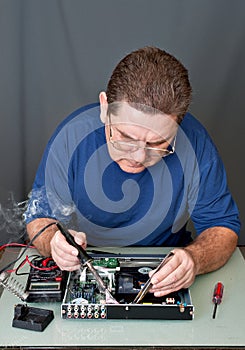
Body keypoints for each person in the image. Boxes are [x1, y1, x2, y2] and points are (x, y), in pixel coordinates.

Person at [25, 47, 240, 297]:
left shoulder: (195, 142)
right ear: (105, 107)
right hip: (85, 265)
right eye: (126, 137)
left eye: (158, 143)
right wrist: (54, 243)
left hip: (164, 268)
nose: (138, 158)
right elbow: (38, 219)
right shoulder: (71, 137)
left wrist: (195, 258)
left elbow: (222, 226)